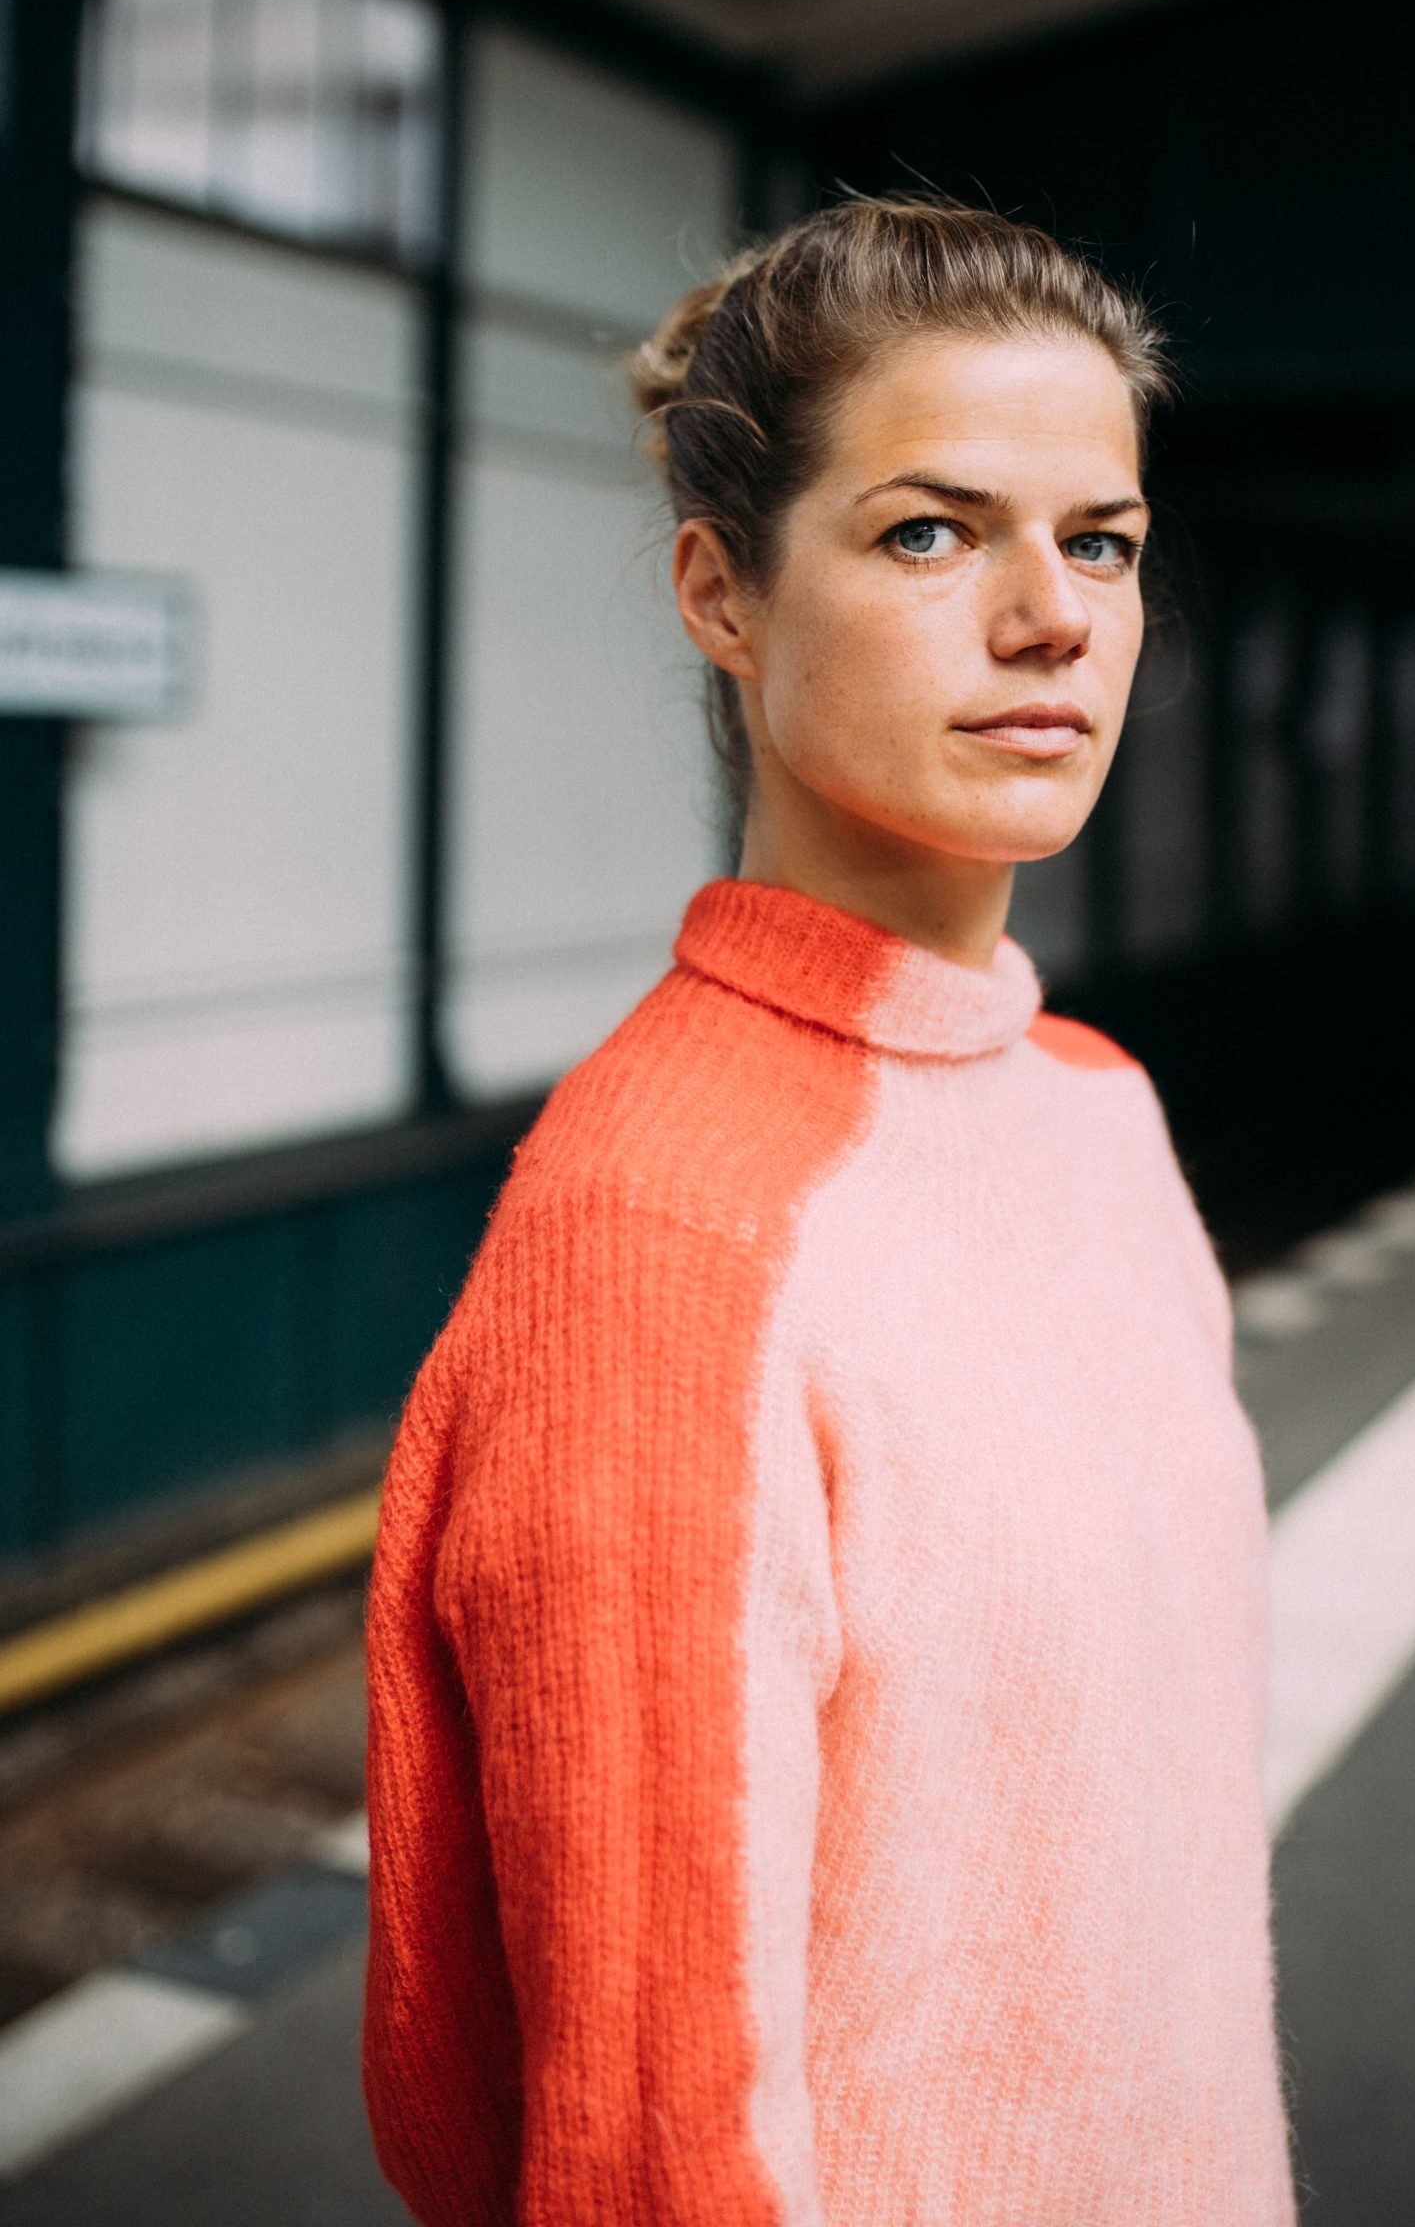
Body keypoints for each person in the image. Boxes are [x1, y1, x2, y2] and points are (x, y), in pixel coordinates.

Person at [361, 196, 1293, 2226]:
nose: (1052, 615)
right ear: (721, 592)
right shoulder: (659, 1232)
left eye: (1101, 539)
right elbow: (639, 2157)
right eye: (929, 531)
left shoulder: (1094, 1112)